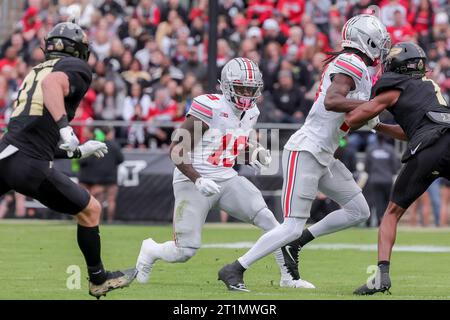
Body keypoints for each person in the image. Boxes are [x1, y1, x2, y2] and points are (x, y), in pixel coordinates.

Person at [218, 14, 391, 291]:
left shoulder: (357, 68)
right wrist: (370, 105)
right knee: (291, 225)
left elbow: (361, 119)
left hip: (323, 154)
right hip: (307, 150)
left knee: (358, 210)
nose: (381, 48)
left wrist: (383, 120)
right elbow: (333, 101)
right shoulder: (352, 62)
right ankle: (235, 268)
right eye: (379, 42)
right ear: (366, 40)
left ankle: (295, 252)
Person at [135, 57, 314, 290]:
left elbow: (226, 146)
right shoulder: (209, 107)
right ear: (227, 86)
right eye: (242, 88)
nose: (247, 94)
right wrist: (197, 179)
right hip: (193, 178)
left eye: (252, 89)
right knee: (185, 251)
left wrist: (253, 153)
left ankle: (288, 277)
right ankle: (151, 249)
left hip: (226, 177)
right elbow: (177, 150)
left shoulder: (251, 112)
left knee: (270, 220)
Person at [0, 22, 136, 298]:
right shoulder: (75, 68)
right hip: (28, 163)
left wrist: (76, 150)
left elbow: (34, 129)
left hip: (7, 154)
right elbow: (53, 86)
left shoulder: (35, 71)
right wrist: (65, 127)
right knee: (90, 210)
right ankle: (98, 279)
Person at [345, 42, 450, 294]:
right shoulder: (429, 86)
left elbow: (354, 118)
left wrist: (350, 111)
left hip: (429, 149)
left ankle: (381, 275)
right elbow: (410, 131)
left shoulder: (395, 89)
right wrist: (379, 126)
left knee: (391, 213)